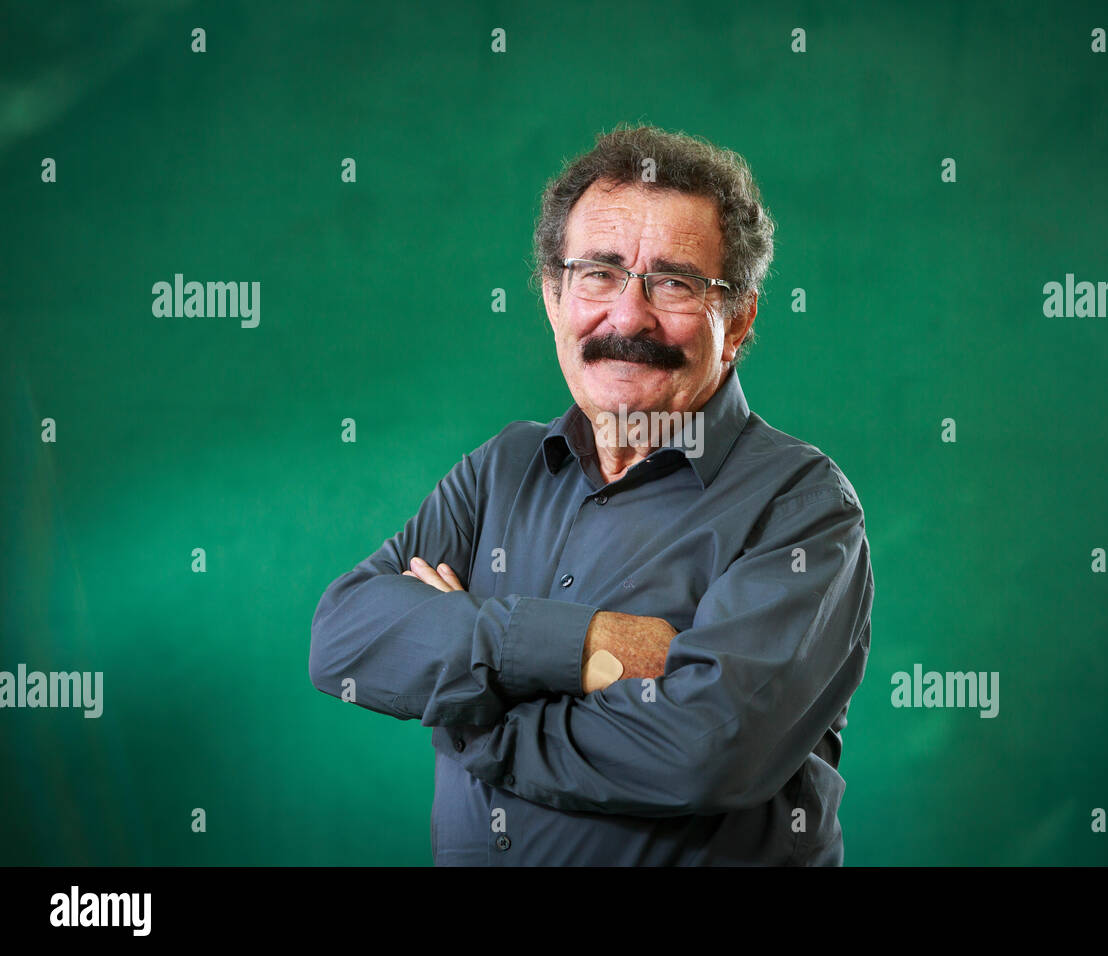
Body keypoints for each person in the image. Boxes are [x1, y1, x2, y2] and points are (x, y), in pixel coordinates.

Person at [309, 124, 874, 865]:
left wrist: (475, 719)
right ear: (553, 297)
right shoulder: (502, 468)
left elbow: (704, 750)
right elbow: (344, 638)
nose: (629, 317)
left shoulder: (803, 508)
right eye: (598, 274)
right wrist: (588, 646)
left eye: (673, 281)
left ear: (738, 320)